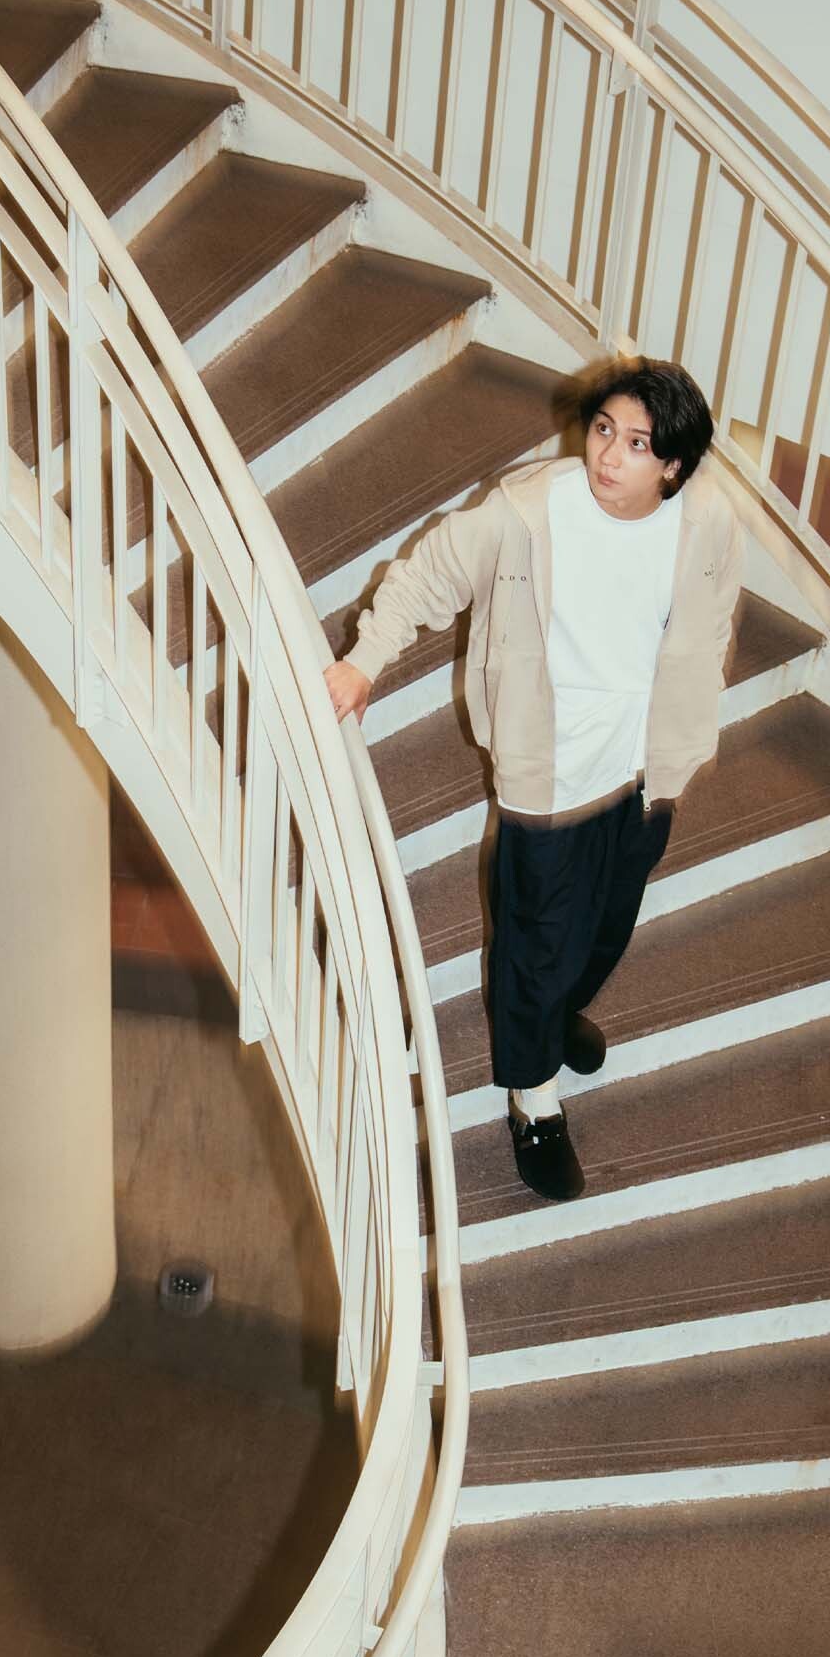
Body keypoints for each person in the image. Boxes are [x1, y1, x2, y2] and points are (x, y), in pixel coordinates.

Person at [324, 360, 742, 1203]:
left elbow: (712, 622)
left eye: (637, 445)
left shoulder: (707, 524)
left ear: (672, 467)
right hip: (549, 776)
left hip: (646, 770)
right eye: (603, 431)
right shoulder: (524, 515)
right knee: (537, 946)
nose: (608, 456)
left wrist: (688, 725)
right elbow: (426, 575)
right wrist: (364, 661)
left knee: (607, 927)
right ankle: (533, 1098)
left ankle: (557, 1013)